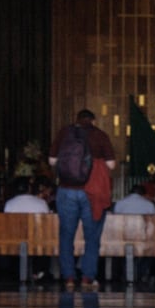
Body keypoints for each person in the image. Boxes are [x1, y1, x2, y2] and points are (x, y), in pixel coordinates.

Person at [49, 108, 116, 291]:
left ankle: (69, 277)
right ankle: (87, 278)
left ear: (76, 120)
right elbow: (111, 164)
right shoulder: (99, 135)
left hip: (66, 190)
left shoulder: (65, 132)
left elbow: (52, 161)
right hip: (91, 192)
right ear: (92, 121)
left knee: (66, 235)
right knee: (92, 236)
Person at [111, 183, 155, 283]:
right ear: (143, 194)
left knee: (123, 257)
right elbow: (154, 223)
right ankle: (143, 275)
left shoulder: (120, 203)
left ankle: (124, 276)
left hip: (122, 239)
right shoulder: (149, 205)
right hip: (144, 240)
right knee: (147, 255)